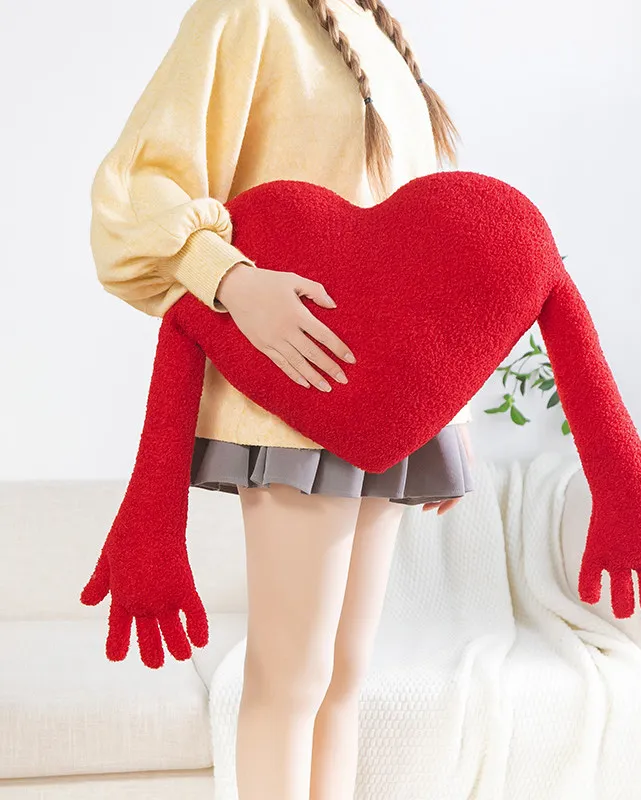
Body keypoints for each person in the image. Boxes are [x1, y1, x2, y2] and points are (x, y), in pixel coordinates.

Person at [89, 0, 476, 797]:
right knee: (291, 677)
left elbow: (418, 238)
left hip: (384, 402)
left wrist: (446, 404)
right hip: (290, 400)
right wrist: (231, 279)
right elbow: (137, 186)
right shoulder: (247, 13)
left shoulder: (379, 34)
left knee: (343, 676)